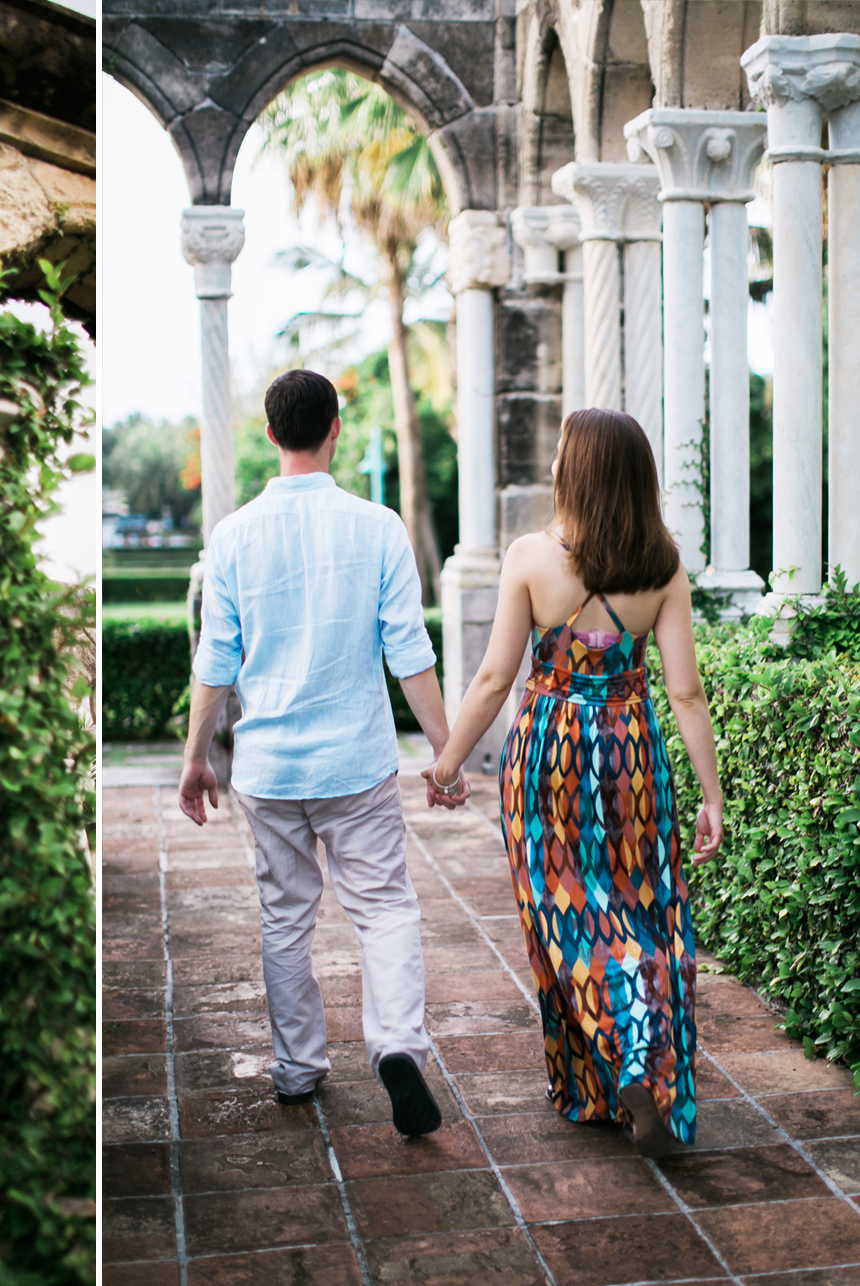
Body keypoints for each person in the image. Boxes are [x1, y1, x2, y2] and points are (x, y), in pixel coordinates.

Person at [424, 407, 724, 1157]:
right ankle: (637, 1055)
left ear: (577, 471)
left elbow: (495, 677)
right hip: (631, 756)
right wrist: (712, 794)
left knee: (564, 914)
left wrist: (449, 760)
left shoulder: (529, 557)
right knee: (639, 908)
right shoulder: (663, 563)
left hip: (547, 758)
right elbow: (685, 692)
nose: (553, 461)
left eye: (561, 451)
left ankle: (609, 1070)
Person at [180, 368, 455, 1137]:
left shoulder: (232, 536)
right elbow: (409, 650)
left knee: (284, 917)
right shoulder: (378, 527)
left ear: (269, 435)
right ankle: (397, 1044)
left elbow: (216, 662)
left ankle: (298, 1067)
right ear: (335, 427)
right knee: (385, 909)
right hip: (356, 765)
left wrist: (196, 757)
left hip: (268, 771)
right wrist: (444, 752)